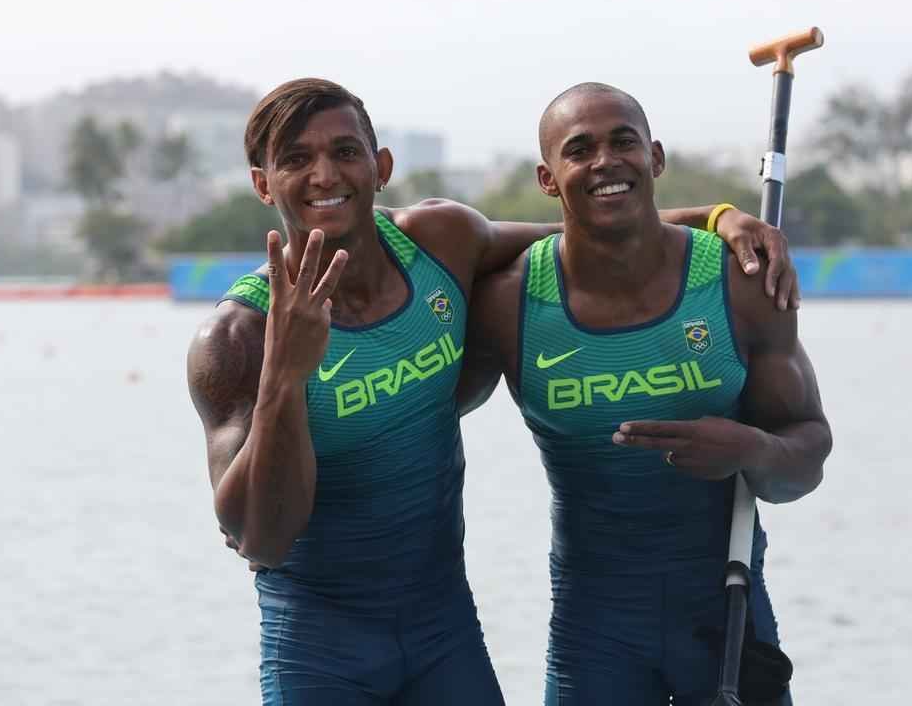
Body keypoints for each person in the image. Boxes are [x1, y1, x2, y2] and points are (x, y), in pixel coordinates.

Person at [187, 77, 799, 705]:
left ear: (381, 166)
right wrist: (285, 377)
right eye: (295, 160)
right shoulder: (236, 339)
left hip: (443, 632)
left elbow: (589, 227)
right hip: (320, 646)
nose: (324, 175)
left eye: (345, 151)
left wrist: (717, 216)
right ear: (262, 184)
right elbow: (257, 538)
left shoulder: (440, 241)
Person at [460, 82, 833, 705]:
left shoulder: (740, 282)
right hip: (593, 628)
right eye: (579, 150)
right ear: (548, 180)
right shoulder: (506, 304)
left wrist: (748, 448)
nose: (605, 162)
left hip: (726, 607)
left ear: (654, 159)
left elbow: (808, 454)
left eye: (623, 142)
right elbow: (412, 423)